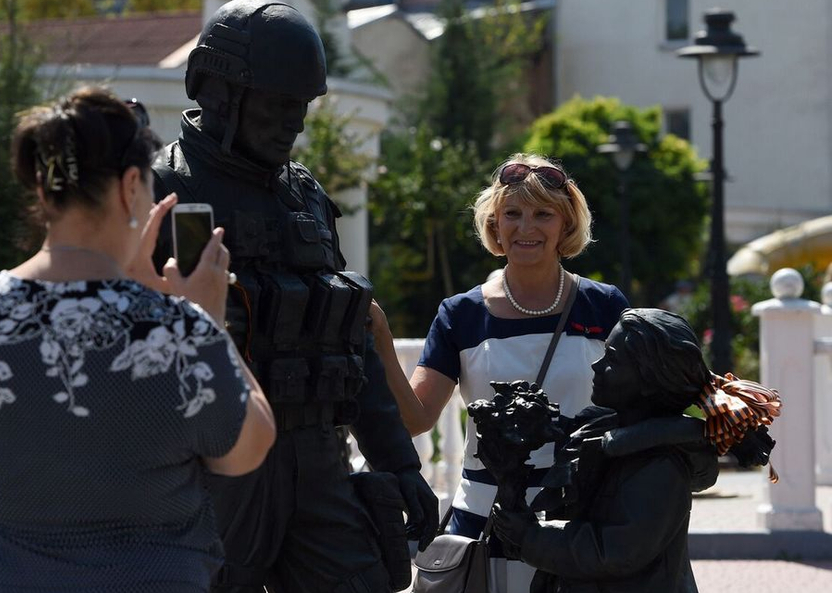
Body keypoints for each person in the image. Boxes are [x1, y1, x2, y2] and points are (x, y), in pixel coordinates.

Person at [150, 2, 438, 592]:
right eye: (281, 105)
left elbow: (345, 334)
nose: (296, 124)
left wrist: (399, 463)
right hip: (216, 466)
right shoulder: (166, 192)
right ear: (222, 93)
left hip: (318, 461)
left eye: (302, 107)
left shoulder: (303, 196)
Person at [0, 86, 275, 593]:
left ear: (44, 189)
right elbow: (246, 447)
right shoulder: (175, 328)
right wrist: (206, 317)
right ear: (130, 187)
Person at [370, 153, 629, 591]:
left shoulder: (605, 306)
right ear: (494, 224)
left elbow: (643, 404)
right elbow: (416, 418)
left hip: (582, 520)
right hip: (485, 524)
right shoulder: (461, 314)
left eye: (542, 214)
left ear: (566, 225)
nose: (525, 228)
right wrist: (379, 339)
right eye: (512, 213)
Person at [491, 308, 780, 592]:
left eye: (612, 359)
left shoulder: (660, 464)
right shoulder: (600, 434)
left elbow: (615, 552)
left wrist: (531, 538)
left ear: (649, 381)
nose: (596, 365)